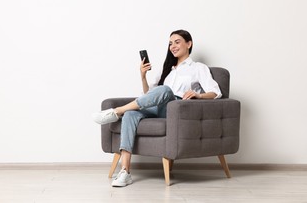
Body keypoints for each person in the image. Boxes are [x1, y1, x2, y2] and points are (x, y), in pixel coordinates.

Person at [92, 29, 222, 187]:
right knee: (131, 114)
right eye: (170, 43)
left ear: (189, 44)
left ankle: (117, 111)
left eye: (177, 42)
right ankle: (125, 171)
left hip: (177, 109)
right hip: (158, 107)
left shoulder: (198, 68)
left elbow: (216, 92)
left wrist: (198, 95)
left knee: (166, 90)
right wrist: (142, 76)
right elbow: (149, 95)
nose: (173, 46)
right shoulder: (167, 69)